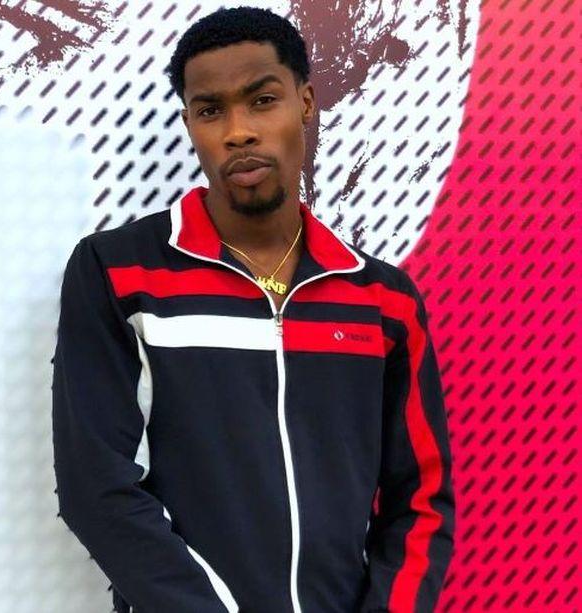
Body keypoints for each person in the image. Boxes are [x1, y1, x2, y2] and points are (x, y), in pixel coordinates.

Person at [51, 6, 455, 613]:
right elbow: (96, 487)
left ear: (306, 102)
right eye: (210, 110)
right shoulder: (118, 272)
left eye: (262, 100)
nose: (238, 131)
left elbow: (421, 497)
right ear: (190, 123)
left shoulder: (383, 299)